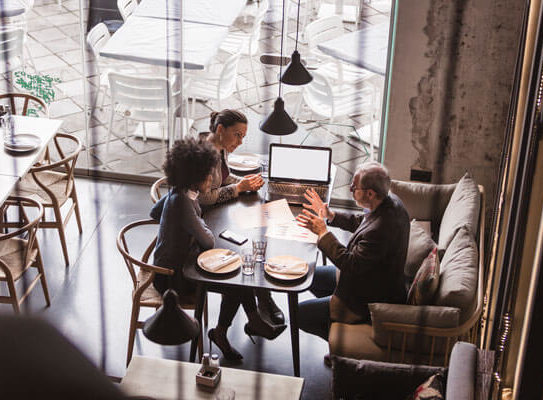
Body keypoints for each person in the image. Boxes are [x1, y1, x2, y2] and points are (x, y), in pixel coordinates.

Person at [150, 139, 286, 361]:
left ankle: (236, 327)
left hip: (174, 262)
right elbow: (209, 241)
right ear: (197, 178)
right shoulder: (184, 202)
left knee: (237, 274)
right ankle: (236, 327)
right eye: (209, 175)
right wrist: (194, 223)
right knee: (235, 279)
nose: (213, 180)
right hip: (171, 279)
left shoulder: (178, 191)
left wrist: (177, 228)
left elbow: (154, 212)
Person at [296, 161, 410, 344]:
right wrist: (330, 216)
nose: (350, 189)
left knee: (300, 314)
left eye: (354, 186)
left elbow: (350, 265)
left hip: (368, 296)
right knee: (308, 275)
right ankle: (332, 312)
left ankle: (339, 343)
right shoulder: (389, 203)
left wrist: (323, 233)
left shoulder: (381, 229)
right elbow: (362, 222)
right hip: (368, 277)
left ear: (370, 193)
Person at [199, 109, 286, 325]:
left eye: (243, 137)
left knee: (253, 241)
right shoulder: (204, 155)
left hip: (215, 214)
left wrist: (245, 182)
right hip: (203, 221)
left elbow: (223, 179)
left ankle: (261, 301)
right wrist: (239, 188)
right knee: (246, 249)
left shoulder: (220, 148)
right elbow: (205, 197)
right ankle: (262, 299)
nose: (239, 142)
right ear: (220, 129)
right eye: (237, 135)